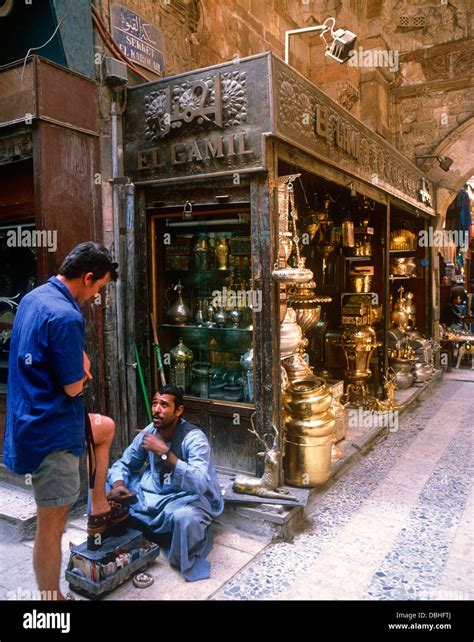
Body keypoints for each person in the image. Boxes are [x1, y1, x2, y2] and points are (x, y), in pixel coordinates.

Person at [2, 242, 127, 600]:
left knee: (105, 427)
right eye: (99, 287)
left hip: (32, 419)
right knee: (51, 528)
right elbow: (73, 386)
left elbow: (55, 353)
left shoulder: (34, 298)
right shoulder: (68, 316)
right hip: (51, 432)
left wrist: (79, 361)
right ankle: (50, 598)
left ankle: (98, 504)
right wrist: (83, 372)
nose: (96, 295)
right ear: (87, 278)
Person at [107, 385, 224, 582]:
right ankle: (117, 537)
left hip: (183, 499)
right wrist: (119, 484)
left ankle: (166, 540)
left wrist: (165, 454)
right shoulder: (150, 431)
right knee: (106, 486)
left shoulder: (194, 438)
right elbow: (125, 463)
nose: (156, 410)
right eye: (154, 403)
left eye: (163, 405)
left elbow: (200, 482)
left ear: (178, 411)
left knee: (185, 518)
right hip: (151, 495)